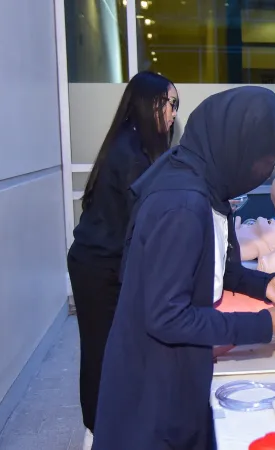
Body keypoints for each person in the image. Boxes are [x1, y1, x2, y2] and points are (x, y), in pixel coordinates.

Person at [91, 86, 275, 450]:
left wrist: (264, 284)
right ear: (240, 146)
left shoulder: (202, 182)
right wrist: (263, 324)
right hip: (154, 385)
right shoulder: (182, 204)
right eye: (268, 158)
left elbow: (208, 266)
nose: (267, 170)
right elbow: (167, 316)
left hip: (174, 367)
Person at [66, 71, 177, 442]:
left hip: (100, 260)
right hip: (98, 266)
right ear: (150, 104)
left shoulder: (131, 143)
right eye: (169, 103)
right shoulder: (131, 154)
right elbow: (143, 222)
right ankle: (101, 430)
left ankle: (107, 425)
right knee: (102, 351)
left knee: (111, 349)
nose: (173, 113)